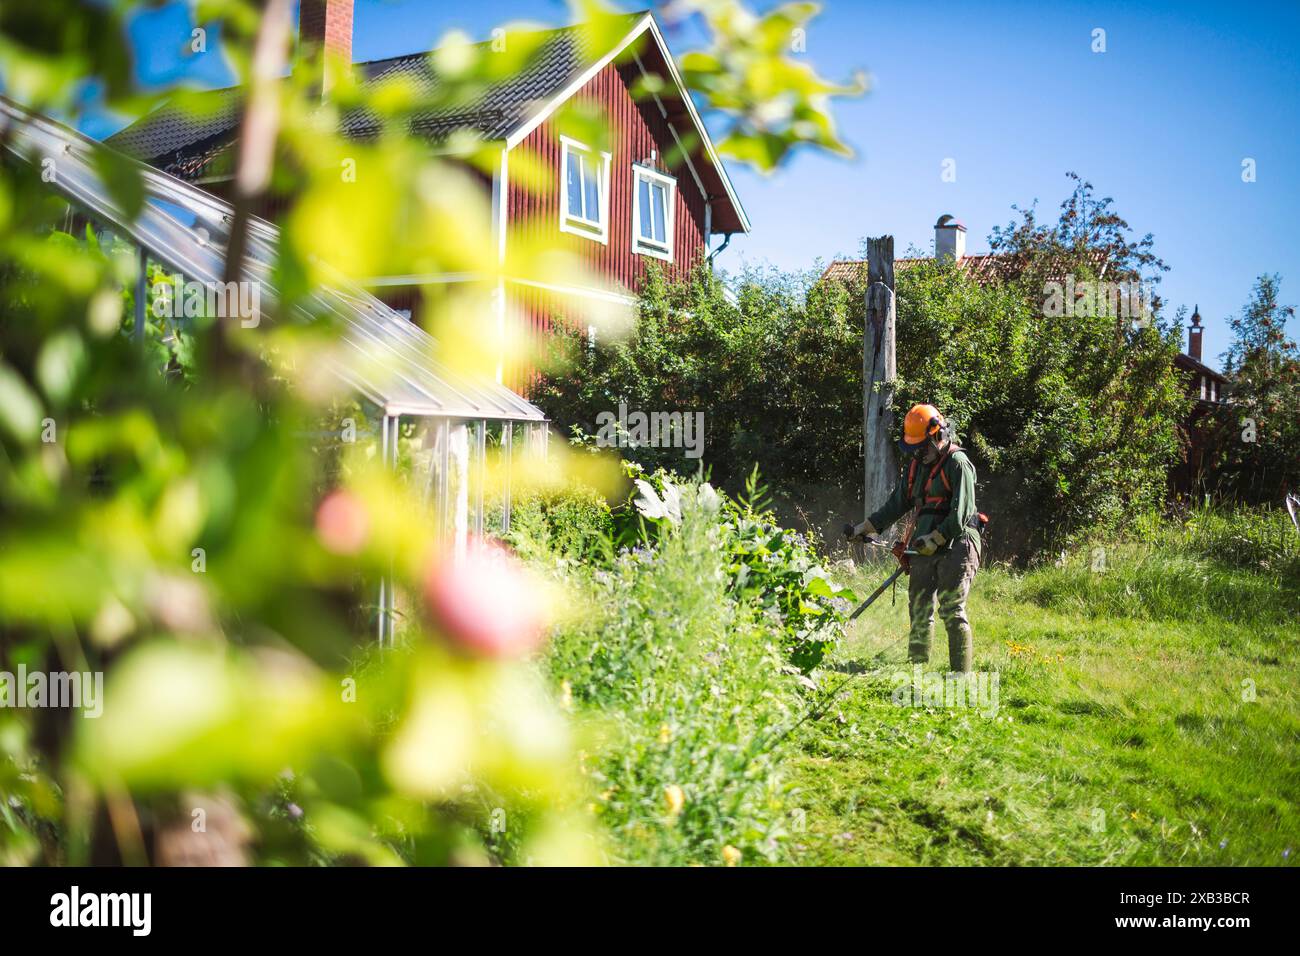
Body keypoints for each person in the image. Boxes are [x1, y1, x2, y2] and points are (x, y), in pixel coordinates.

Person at [847, 404, 982, 673]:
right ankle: (916, 669)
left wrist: (937, 538)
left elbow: (961, 513)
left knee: (952, 610)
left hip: (958, 545)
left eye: (922, 447)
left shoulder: (958, 464)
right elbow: (897, 503)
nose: (918, 454)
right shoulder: (917, 467)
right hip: (923, 546)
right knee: (919, 606)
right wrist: (867, 527)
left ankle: (961, 677)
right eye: (914, 449)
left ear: (937, 435)